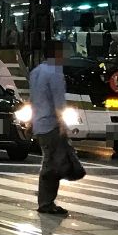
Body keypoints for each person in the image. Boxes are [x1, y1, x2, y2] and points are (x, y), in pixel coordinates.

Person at [29, 41, 76, 216]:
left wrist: (31, 121)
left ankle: (46, 201)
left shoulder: (35, 72)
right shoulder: (55, 72)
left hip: (40, 123)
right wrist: (63, 124)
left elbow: (32, 99)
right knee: (52, 164)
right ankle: (46, 203)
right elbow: (58, 101)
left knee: (50, 161)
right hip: (51, 124)